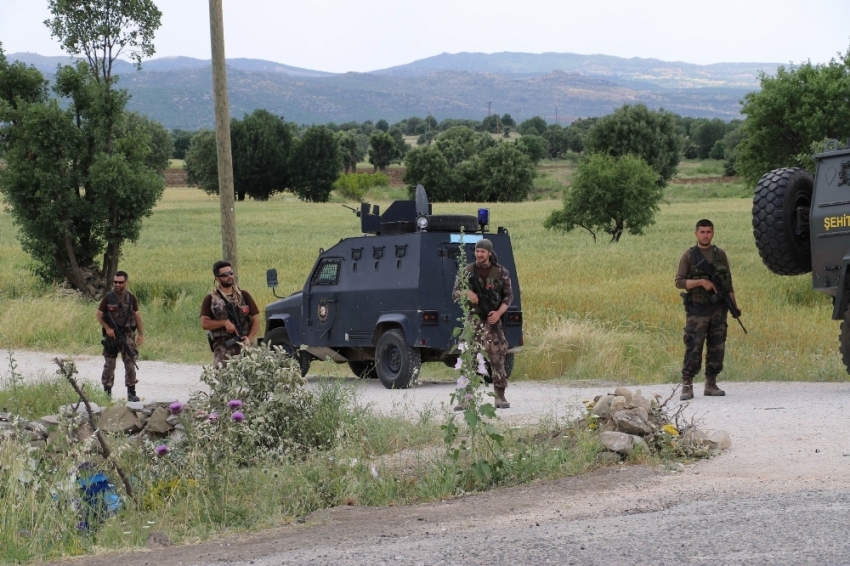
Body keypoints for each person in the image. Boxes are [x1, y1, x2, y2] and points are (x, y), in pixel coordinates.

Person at [675, 219, 740, 400]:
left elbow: (728, 283)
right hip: (698, 310)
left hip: (718, 308)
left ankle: (711, 383)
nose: (705, 235)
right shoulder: (689, 256)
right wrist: (701, 282)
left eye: (709, 232)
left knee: (717, 346)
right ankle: (687, 385)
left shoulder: (720, 255)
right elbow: (679, 282)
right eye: (702, 232)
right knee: (694, 345)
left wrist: (734, 305)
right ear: (696, 233)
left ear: (713, 233)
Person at [454, 238, 514, 409]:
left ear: (489, 253)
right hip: (473, 321)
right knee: (468, 358)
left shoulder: (500, 272)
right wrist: (467, 293)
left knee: (497, 357)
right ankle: (466, 398)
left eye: (482, 251)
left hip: (492, 320)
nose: (479, 254)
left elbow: (508, 296)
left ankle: (499, 396)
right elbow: (455, 293)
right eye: (477, 251)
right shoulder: (467, 271)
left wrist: (498, 313)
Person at [200, 260, 260, 368]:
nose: (230, 276)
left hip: (245, 345)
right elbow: (205, 323)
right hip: (224, 348)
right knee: (225, 380)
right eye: (225, 275)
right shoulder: (210, 299)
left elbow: (256, 319)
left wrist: (249, 338)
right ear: (217, 278)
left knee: (253, 377)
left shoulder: (244, 295)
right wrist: (224, 323)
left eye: (231, 273)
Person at [96, 270, 144, 402]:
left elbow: (137, 315)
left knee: (130, 363)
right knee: (109, 364)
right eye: (115, 282)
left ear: (126, 282)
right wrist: (107, 328)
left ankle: (131, 392)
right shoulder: (108, 297)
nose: (117, 284)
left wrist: (140, 334)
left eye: (120, 282)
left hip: (127, 334)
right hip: (112, 337)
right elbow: (99, 315)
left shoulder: (131, 297)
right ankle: (106, 394)